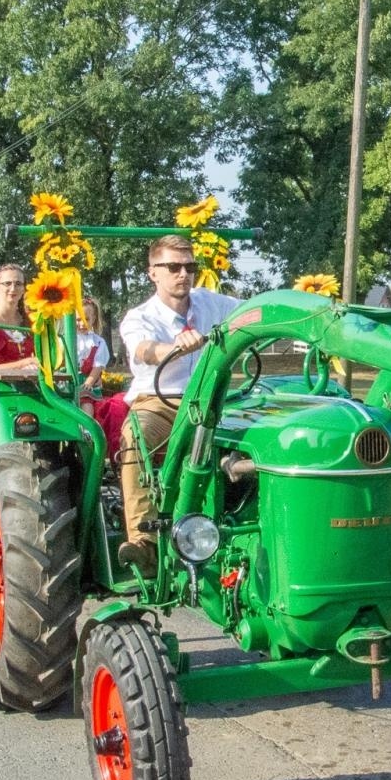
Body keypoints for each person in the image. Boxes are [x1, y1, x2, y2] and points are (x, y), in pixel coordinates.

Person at [116, 235, 241, 570]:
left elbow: (253, 313)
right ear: (153, 273)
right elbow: (143, 350)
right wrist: (172, 348)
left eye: (189, 267)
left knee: (255, 440)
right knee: (135, 437)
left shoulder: (212, 304)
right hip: (160, 403)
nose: (183, 274)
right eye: (173, 267)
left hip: (211, 404)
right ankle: (144, 542)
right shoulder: (139, 316)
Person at [76, 295, 128, 461]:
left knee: (85, 399)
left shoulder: (98, 342)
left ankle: (86, 427)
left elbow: (97, 367)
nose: (81, 323)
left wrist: (88, 383)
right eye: (77, 319)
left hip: (87, 381)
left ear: (94, 319)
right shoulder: (68, 340)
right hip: (68, 381)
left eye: (86, 319)